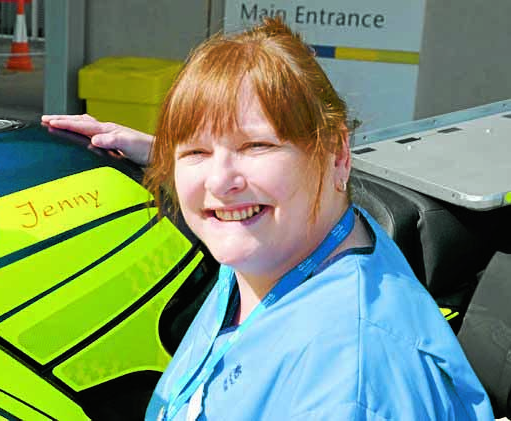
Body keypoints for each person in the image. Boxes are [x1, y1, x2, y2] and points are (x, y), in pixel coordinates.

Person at [43, 17, 493, 421]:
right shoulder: (290, 247)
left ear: (336, 153)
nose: (219, 182)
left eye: (256, 146)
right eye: (196, 152)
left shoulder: (348, 379)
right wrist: (163, 154)